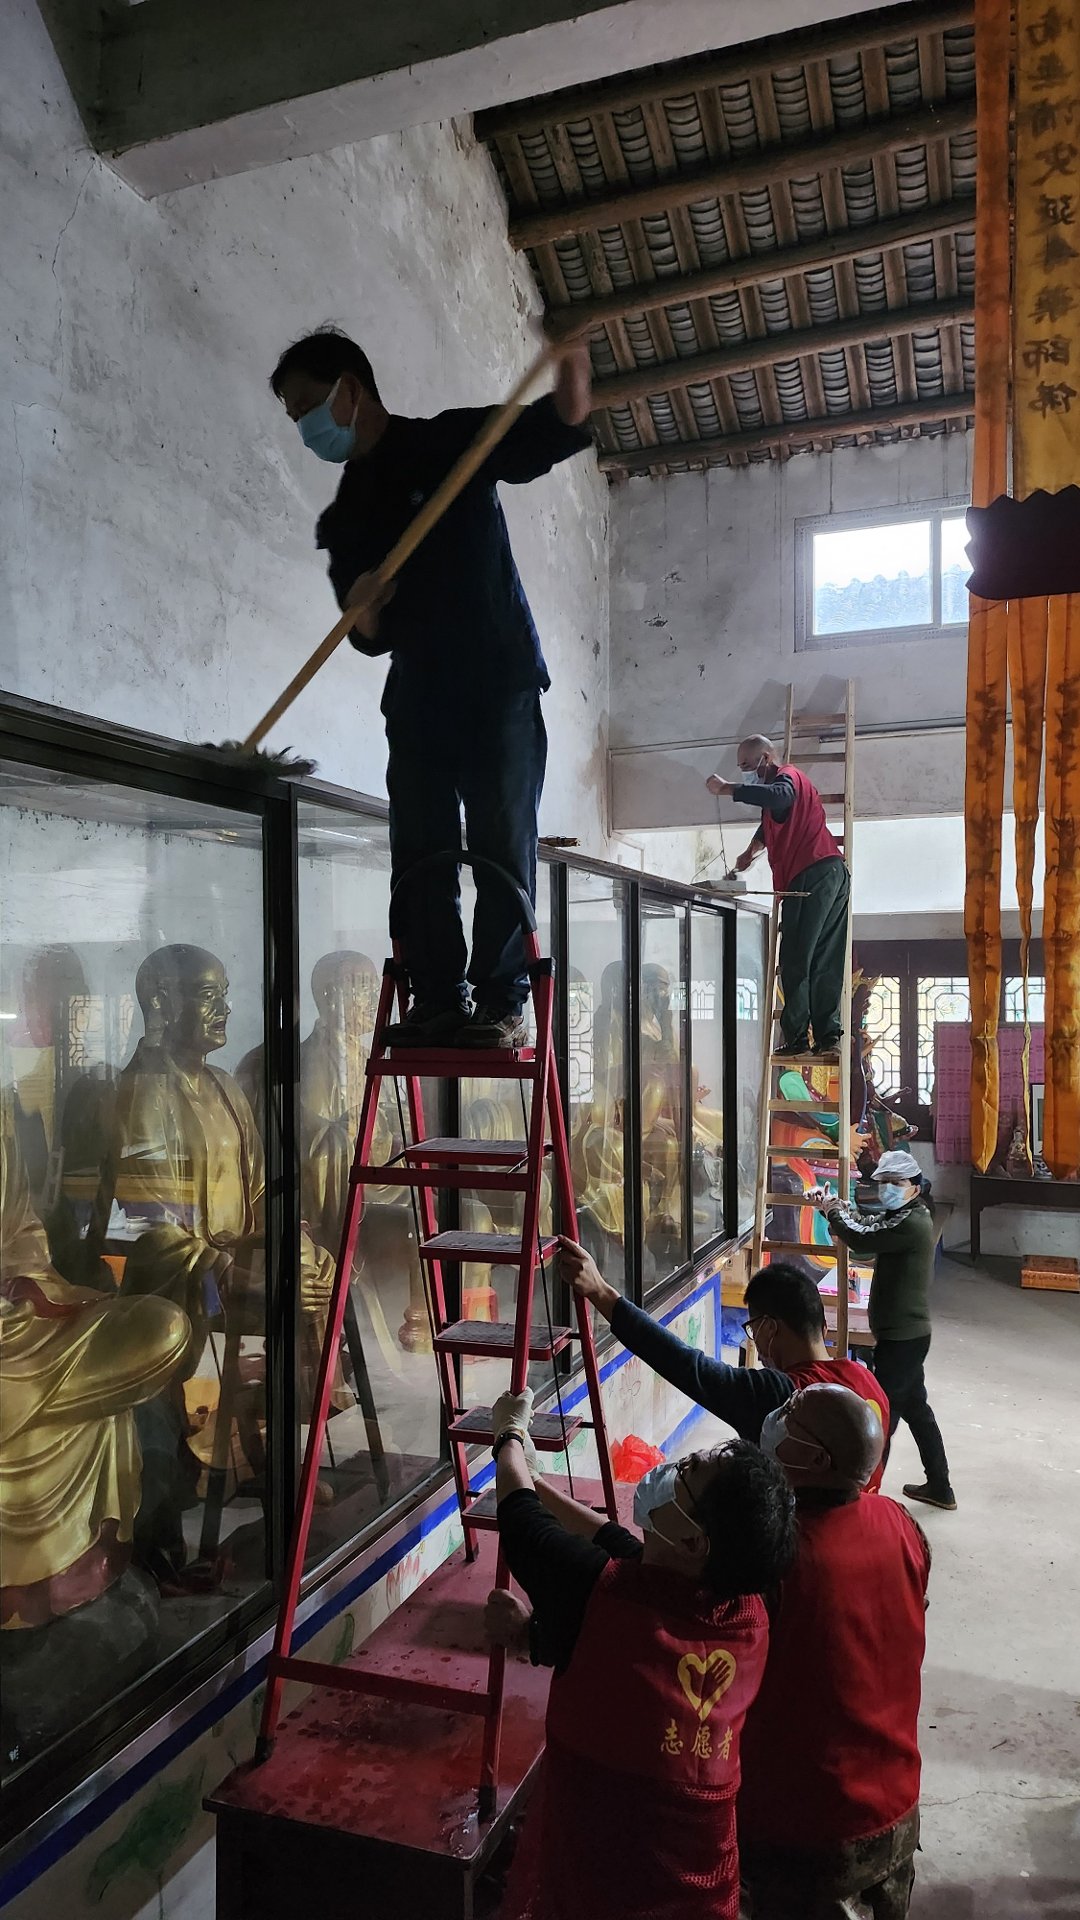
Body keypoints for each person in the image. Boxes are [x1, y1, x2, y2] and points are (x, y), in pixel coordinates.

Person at [270, 328, 593, 1052]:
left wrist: (571, 361)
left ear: (349, 390)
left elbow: (555, 428)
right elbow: (366, 637)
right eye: (295, 419)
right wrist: (366, 605)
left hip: (499, 681)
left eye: (307, 408)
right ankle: (438, 997)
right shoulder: (348, 516)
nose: (306, 429)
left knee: (502, 843)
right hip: (419, 695)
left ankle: (502, 1001)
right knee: (420, 849)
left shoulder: (450, 443)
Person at [489, 1386, 796, 1920]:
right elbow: (619, 1545)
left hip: (607, 1886)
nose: (668, 1470)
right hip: (705, 1889)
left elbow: (522, 1525)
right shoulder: (748, 1614)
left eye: (685, 1476)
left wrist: (509, 1437)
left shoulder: (603, 1596)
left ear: (694, 1542)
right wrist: (539, 1481)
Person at [740, 1383, 931, 1918]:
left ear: (815, 1460)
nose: (778, 1415)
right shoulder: (899, 1523)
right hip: (897, 1802)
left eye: (791, 1414)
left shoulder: (777, 1556)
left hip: (811, 1824)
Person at [559, 1242, 890, 1491]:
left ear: (769, 1329)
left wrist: (600, 1291)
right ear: (823, 1328)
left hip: (803, 1547)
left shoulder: (782, 1398)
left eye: (753, 1330)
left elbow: (685, 1365)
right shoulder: (867, 1381)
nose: (754, 1343)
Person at [812, 1148, 955, 1511]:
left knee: (880, 1419)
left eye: (896, 1182)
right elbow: (866, 1229)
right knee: (917, 1411)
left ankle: (862, 1496)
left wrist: (834, 1211)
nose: (888, 1189)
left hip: (903, 1338)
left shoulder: (912, 1223)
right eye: (884, 1182)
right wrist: (834, 1209)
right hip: (904, 1335)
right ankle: (940, 1487)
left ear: (916, 1186)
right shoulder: (902, 1215)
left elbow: (862, 1239)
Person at [707, 735, 849, 1057]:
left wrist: (729, 788)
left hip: (810, 876)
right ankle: (829, 1039)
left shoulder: (787, 779)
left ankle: (797, 1039)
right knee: (825, 958)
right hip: (832, 873)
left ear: (767, 759)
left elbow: (778, 796)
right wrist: (750, 852)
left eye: (747, 765)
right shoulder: (788, 790)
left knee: (796, 958)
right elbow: (770, 822)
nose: (746, 772)